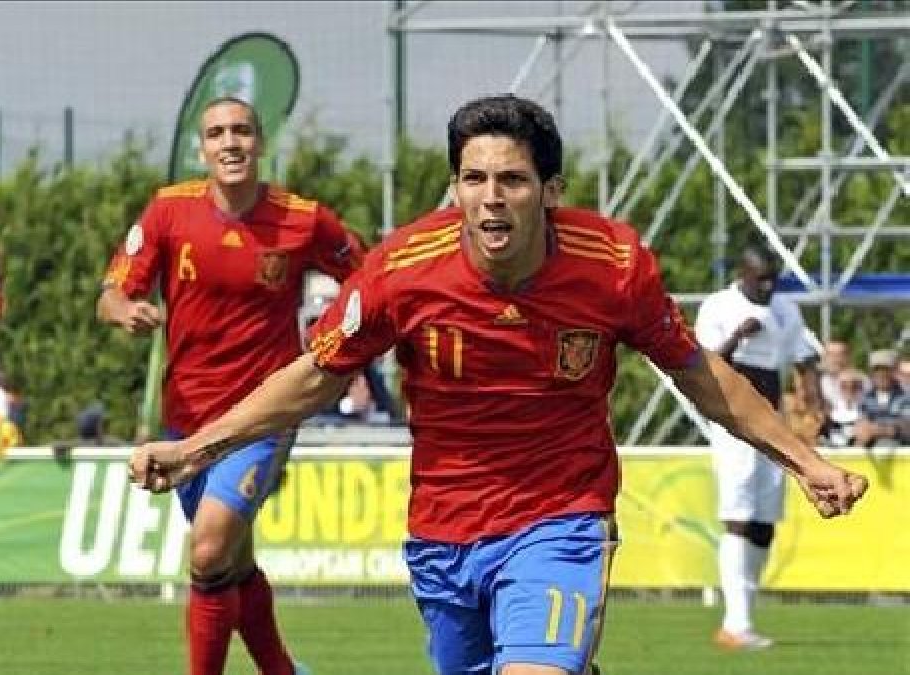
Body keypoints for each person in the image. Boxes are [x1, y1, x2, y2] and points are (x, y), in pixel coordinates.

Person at [128, 93, 868, 675]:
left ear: (550, 190)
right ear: (455, 187)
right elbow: (313, 379)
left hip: (562, 518)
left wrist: (806, 461)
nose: (490, 197)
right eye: (473, 179)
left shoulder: (613, 265)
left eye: (512, 179)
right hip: (444, 532)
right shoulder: (400, 271)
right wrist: (194, 449)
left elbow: (700, 375)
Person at [97, 95, 363, 675]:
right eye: (217, 133)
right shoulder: (169, 211)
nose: (230, 142)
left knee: (210, 546)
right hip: (185, 418)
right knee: (231, 563)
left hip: (262, 418)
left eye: (241, 131)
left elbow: (368, 283)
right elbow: (111, 293)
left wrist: (332, 339)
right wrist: (126, 310)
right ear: (203, 149)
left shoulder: (303, 219)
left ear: (260, 143)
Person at [694, 242, 822, 651]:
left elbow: (805, 359)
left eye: (773, 279)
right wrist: (737, 336)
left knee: (765, 522)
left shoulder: (786, 310)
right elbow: (702, 366)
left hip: (774, 423)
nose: (768, 287)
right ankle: (735, 623)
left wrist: (815, 405)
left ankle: (745, 618)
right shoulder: (719, 307)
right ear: (743, 274)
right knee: (738, 516)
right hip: (734, 423)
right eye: (761, 279)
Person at [854, 349, 907, 449]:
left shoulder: (906, 395)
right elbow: (862, 422)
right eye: (877, 370)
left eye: (886, 369)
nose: (881, 374)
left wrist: (878, 430)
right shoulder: (865, 397)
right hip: (869, 445)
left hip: (900, 447)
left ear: (894, 371)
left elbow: (906, 427)